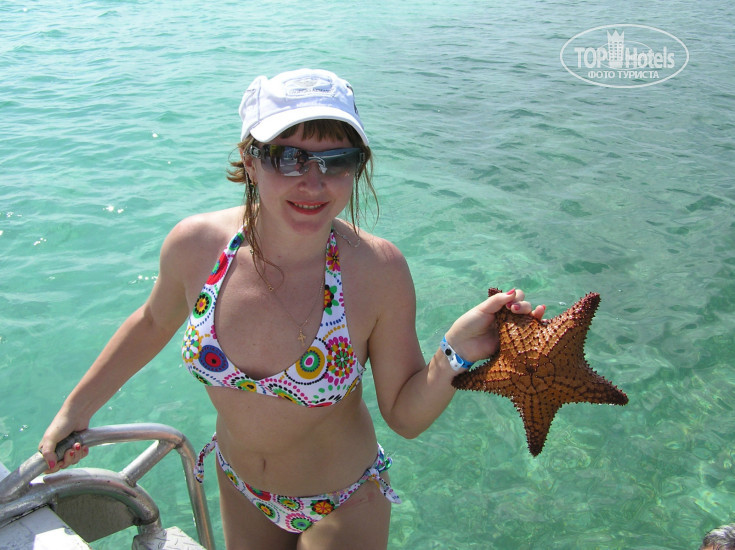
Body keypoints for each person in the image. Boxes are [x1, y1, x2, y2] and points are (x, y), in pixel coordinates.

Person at [38, 68, 545, 550]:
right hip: (239, 485)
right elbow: (152, 323)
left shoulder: (377, 270)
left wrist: (456, 351)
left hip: (343, 501)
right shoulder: (196, 247)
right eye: (288, 158)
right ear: (250, 159)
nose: (314, 182)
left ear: (357, 167)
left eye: (336, 160)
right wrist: (75, 410)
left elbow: (405, 417)